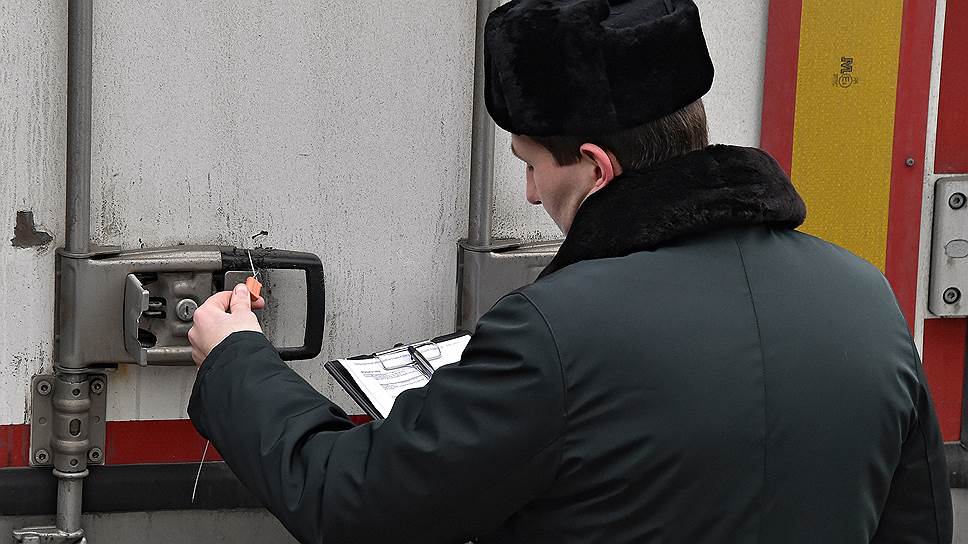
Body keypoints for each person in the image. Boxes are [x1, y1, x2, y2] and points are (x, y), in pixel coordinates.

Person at [187, 0, 954, 542]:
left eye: (530, 164)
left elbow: (351, 502)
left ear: (595, 165)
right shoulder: (866, 299)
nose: (528, 192)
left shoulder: (554, 333)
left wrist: (235, 359)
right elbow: (915, 525)